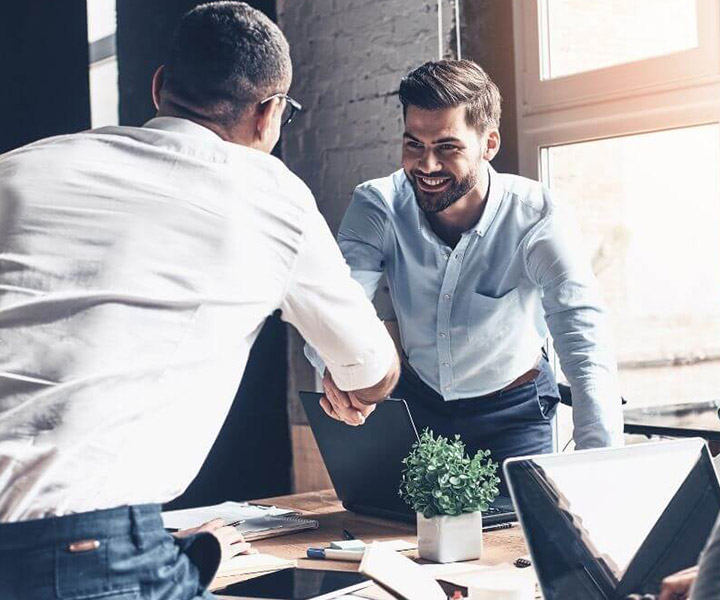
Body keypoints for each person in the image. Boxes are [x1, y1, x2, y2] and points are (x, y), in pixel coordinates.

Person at [0, 3, 399, 599]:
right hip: (82, 554)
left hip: (106, 543)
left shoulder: (21, 169)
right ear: (269, 115)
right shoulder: (270, 196)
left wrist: (183, 552)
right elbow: (370, 371)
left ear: (160, 86)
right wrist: (364, 382)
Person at [309, 60, 623, 476]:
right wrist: (335, 367)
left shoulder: (537, 217)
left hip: (513, 413)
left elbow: (584, 340)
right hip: (417, 405)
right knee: (399, 535)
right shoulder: (378, 204)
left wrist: (599, 466)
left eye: (447, 147)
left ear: (488, 144)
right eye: (414, 144)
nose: (427, 165)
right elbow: (335, 305)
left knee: (519, 537)